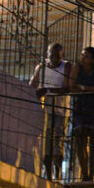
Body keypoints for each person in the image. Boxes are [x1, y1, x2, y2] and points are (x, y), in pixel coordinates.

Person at [29, 43, 71, 180]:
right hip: (45, 109)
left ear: (62, 56)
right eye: (51, 56)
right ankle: (47, 174)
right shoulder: (41, 67)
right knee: (46, 142)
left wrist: (47, 90)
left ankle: (57, 173)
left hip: (61, 110)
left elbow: (67, 88)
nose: (54, 60)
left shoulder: (66, 66)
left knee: (58, 141)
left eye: (57, 57)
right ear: (47, 54)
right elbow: (33, 84)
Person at [69, 47, 94, 181]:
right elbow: (72, 87)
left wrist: (84, 88)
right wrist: (90, 90)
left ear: (92, 59)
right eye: (82, 55)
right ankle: (84, 174)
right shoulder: (77, 67)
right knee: (80, 140)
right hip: (80, 106)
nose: (82, 58)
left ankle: (91, 174)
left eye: (85, 56)